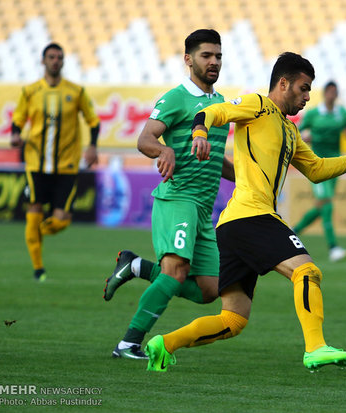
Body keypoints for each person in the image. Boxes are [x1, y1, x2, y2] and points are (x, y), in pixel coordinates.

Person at [143, 52, 346, 372]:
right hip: (252, 215)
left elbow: (317, 169)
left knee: (233, 319)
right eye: (304, 89)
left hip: (233, 225)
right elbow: (212, 112)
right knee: (307, 272)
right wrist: (199, 132)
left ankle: (164, 344)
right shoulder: (257, 105)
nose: (307, 97)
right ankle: (315, 347)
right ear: (283, 83)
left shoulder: (290, 130)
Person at [102, 29, 234, 360]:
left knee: (209, 289)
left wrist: (251, 178)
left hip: (204, 209)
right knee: (175, 271)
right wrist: (164, 150)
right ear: (188, 59)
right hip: (179, 199)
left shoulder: (219, 104)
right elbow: (144, 139)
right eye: (206, 55)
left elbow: (215, 157)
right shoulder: (176, 98)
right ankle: (129, 343)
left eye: (218, 56)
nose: (214, 62)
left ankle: (135, 266)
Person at [10, 43, 100, 282]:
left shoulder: (76, 91)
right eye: (51, 57)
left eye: (59, 57)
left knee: (61, 221)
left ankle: (36, 232)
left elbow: (93, 120)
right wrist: (15, 134)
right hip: (36, 164)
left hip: (66, 165)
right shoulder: (30, 91)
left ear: (63, 61)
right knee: (34, 210)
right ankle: (38, 269)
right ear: (43, 61)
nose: (55, 61)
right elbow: (18, 118)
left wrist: (92, 146)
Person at [293, 81, 346, 262]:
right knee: (327, 203)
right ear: (325, 93)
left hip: (334, 165)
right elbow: (296, 132)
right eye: (330, 92)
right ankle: (333, 248)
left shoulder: (342, 113)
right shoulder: (313, 114)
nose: (332, 95)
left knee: (322, 206)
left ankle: (293, 232)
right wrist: (306, 137)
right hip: (316, 165)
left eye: (335, 92)